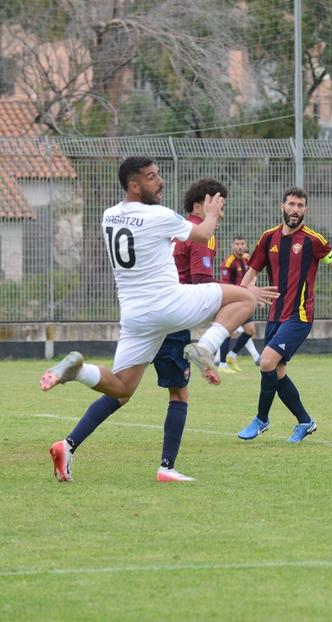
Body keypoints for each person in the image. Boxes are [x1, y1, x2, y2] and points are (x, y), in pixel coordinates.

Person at [40, 157, 278, 483]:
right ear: (134, 186)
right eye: (152, 177)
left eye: (159, 174)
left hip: (136, 316)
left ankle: (79, 371)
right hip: (170, 306)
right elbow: (204, 233)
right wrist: (211, 215)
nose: (160, 181)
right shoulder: (160, 216)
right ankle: (205, 349)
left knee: (122, 388)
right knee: (247, 298)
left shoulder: (109, 215)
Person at [236, 187, 332, 443]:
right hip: (275, 317)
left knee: (266, 362)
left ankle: (261, 419)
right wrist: (248, 292)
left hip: (299, 316)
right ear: (282, 206)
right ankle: (305, 422)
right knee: (277, 372)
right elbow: (249, 277)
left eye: (300, 206)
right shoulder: (268, 238)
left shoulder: (313, 240)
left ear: (305, 210)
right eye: (291, 204)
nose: (295, 210)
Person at [149, 177, 228, 482]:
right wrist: (224, 315)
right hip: (173, 319)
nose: (221, 213)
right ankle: (166, 468)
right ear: (200, 204)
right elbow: (201, 283)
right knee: (178, 394)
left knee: (121, 388)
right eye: (218, 204)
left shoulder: (175, 229)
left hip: (151, 311)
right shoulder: (199, 233)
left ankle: (69, 445)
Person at [218, 236, 261, 371]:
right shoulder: (228, 262)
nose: (240, 246)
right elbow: (224, 284)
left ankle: (232, 355)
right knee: (228, 332)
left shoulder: (247, 260)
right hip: (232, 302)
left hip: (244, 301)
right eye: (237, 244)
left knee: (250, 330)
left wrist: (255, 294)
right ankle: (222, 364)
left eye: (242, 244)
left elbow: (253, 276)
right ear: (232, 246)